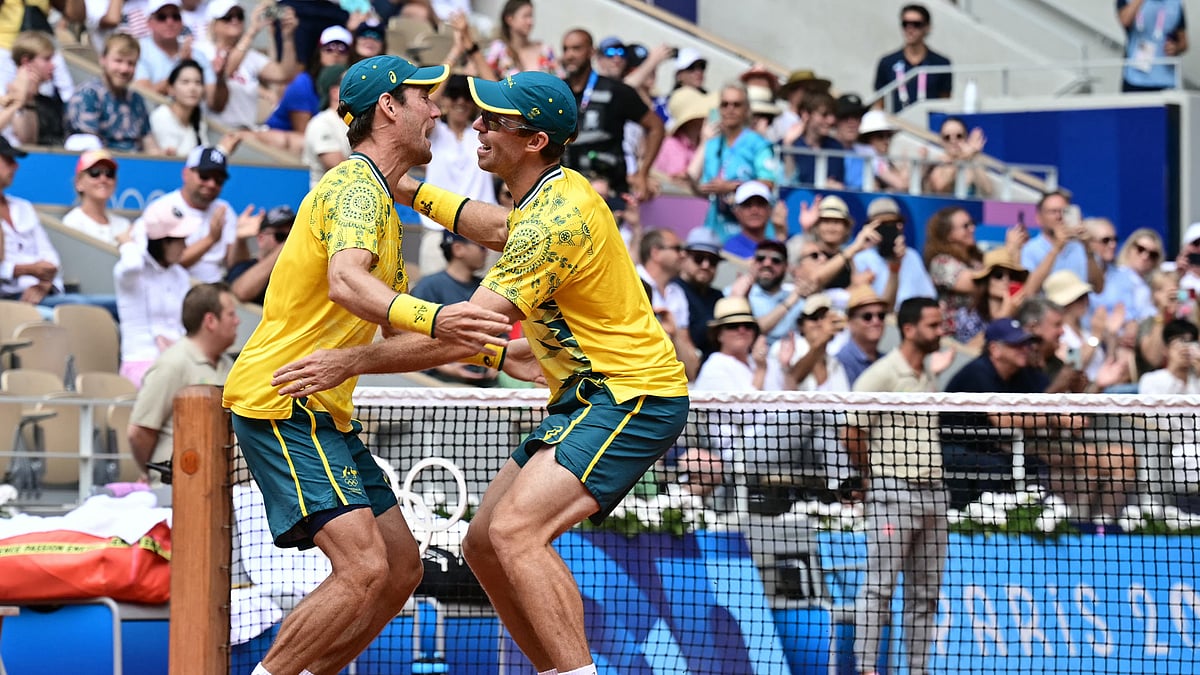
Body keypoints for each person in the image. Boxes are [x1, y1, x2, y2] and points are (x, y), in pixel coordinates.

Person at [270, 70, 690, 675]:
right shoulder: (546, 194)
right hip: (583, 397)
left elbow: (464, 328)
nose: (479, 126)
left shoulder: (555, 220)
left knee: (516, 533)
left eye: (496, 121)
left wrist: (352, 360)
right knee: (483, 545)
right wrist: (406, 187)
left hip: (632, 398)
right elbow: (491, 227)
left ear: (535, 140)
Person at [221, 55, 511, 675]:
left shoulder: (379, 197)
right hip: (284, 399)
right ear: (388, 107)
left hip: (326, 409)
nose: (438, 110)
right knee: (362, 568)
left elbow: (385, 340)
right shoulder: (354, 188)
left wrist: (494, 349)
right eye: (423, 99)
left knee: (401, 570)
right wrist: (440, 318)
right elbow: (348, 283)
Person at [845, 296, 946, 675]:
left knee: (925, 595)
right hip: (893, 493)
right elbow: (851, 430)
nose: (941, 332)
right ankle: (868, 668)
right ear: (909, 329)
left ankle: (917, 670)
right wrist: (872, 476)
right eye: (933, 325)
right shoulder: (882, 374)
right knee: (880, 586)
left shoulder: (928, 374)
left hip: (935, 493)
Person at [128, 282, 238, 480]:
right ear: (211, 321)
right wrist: (154, 473)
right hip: (179, 487)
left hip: (223, 486)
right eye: (231, 314)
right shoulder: (172, 364)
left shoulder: (228, 364)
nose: (237, 321)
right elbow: (139, 432)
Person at [941, 317, 1046, 509]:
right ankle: (976, 520)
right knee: (994, 465)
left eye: (1025, 344)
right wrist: (1055, 420)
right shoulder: (978, 372)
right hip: (952, 445)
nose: (1025, 349)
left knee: (1035, 465)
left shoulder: (1019, 374)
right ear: (995, 349)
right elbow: (1002, 420)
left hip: (986, 446)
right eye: (1016, 345)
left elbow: (1042, 404)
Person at [560, 29, 664, 202]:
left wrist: (642, 173)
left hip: (610, 193)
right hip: (568, 193)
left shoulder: (616, 90)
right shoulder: (557, 91)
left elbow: (656, 127)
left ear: (591, 52)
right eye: (566, 49)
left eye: (576, 49)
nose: (570, 55)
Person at [417, 73, 497, 277]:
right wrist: (453, 57)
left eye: (467, 96)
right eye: (454, 94)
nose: (461, 101)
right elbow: (422, 107)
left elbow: (498, 96)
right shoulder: (435, 132)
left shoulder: (482, 134)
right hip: (438, 228)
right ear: (444, 99)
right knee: (433, 303)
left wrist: (472, 49)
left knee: (486, 303)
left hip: (482, 229)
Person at [113, 196, 194, 386]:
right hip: (140, 364)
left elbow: (183, 326)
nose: (186, 246)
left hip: (176, 362)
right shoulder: (131, 271)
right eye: (180, 240)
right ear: (162, 242)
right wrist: (127, 242)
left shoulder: (180, 275)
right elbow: (132, 264)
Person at [689, 81, 778, 242]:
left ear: (746, 110)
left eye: (736, 105)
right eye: (725, 104)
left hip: (752, 230)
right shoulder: (712, 144)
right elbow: (701, 187)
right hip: (716, 228)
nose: (730, 109)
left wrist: (729, 187)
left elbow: (768, 183)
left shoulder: (758, 144)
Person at [410, 231, 499, 385]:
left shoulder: (487, 288)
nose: (487, 252)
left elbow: (499, 331)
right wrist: (445, 367)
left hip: (486, 384)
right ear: (458, 249)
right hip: (436, 384)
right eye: (481, 247)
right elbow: (410, 340)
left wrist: (498, 360)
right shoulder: (428, 287)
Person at [198, 0, 299, 132]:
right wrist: (252, 31)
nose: (235, 20)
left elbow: (284, 74)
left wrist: (288, 37)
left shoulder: (250, 55)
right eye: (227, 17)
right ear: (213, 23)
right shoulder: (202, 50)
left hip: (246, 132)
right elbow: (225, 71)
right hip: (216, 131)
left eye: (239, 16)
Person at [66, 32, 160, 153]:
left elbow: (149, 143)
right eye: (118, 61)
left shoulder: (136, 99)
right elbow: (87, 146)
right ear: (103, 60)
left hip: (136, 165)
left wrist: (162, 155)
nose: (124, 69)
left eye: (131, 63)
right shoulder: (87, 94)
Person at [873, 3, 952, 112]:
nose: (910, 29)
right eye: (905, 24)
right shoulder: (887, 62)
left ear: (927, 27)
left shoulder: (941, 63)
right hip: (897, 124)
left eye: (916, 24)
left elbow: (945, 102)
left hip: (928, 124)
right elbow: (879, 103)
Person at [693, 296, 767, 391]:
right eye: (733, 326)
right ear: (719, 334)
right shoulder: (715, 366)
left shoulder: (760, 361)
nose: (742, 330)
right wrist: (761, 371)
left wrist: (787, 371)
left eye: (748, 325)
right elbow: (743, 405)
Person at [672, 228, 724, 362]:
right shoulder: (672, 290)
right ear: (684, 257)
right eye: (699, 258)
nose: (706, 265)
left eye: (713, 260)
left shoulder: (718, 297)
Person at [226, 204, 293, 305]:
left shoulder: (297, 271)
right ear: (261, 238)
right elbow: (241, 292)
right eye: (280, 236)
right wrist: (284, 247)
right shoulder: (246, 267)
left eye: (292, 235)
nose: (289, 241)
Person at [62, 149, 131, 245]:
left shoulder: (123, 225)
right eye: (95, 173)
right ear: (79, 183)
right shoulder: (72, 223)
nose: (103, 179)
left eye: (109, 173)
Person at [1118, 0, 1187, 92]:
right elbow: (1125, 20)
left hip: (1165, 78)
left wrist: (1176, 48)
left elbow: (1184, 43)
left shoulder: (1175, 3)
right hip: (1135, 77)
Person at [301, 63, 350, 189]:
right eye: (350, 83)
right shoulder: (321, 123)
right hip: (326, 202)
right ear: (335, 92)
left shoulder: (356, 121)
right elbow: (342, 170)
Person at [149, 58, 209, 156]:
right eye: (185, 82)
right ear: (171, 88)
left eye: (198, 82)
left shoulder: (200, 121)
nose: (193, 88)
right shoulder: (162, 116)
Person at [485, 0, 558, 78]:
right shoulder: (499, 49)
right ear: (509, 19)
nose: (530, 22)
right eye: (525, 16)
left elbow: (559, 79)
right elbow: (487, 78)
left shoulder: (544, 50)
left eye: (531, 16)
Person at [924, 116, 993, 197]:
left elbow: (988, 191)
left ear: (966, 137)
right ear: (941, 141)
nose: (953, 141)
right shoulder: (937, 163)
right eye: (947, 137)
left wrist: (973, 157)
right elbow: (940, 187)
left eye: (959, 136)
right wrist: (964, 157)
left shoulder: (971, 161)